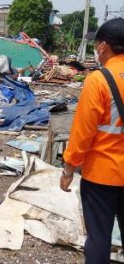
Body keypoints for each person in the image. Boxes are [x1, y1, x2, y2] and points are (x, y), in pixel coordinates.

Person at [60, 18, 124, 264]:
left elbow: (83, 132)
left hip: (102, 175)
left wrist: (69, 168)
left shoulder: (99, 80)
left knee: (98, 238)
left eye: (96, 44)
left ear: (104, 46)